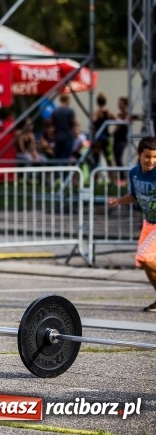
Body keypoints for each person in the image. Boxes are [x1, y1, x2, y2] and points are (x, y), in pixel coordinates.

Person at [108, 136, 156, 312]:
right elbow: (134, 196)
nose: (151, 161)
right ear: (139, 155)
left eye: (154, 157)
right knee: (143, 262)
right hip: (148, 222)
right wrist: (118, 201)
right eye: (148, 156)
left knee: (144, 257)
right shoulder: (134, 173)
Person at [90, 93, 114, 169]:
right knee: (107, 160)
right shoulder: (106, 113)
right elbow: (116, 119)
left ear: (97, 102)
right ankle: (112, 177)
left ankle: (96, 177)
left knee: (98, 159)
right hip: (103, 138)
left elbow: (93, 121)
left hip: (100, 138)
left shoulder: (98, 113)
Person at [50, 94, 76, 163]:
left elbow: (52, 125)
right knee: (66, 159)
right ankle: (65, 173)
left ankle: (57, 173)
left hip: (58, 137)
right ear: (67, 100)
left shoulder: (55, 112)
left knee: (57, 159)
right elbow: (73, 124)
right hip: (68, 137)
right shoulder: (70, 111)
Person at [113, 96, 130, 170]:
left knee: (119, 157)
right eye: (119, 103)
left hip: (122, 139)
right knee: (116, 158)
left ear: (125, 104)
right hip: (116, 139)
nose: (119, 105)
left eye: (121, 103)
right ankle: (120, 176)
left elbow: (122, 124)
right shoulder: (119, 115)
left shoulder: (127, 115)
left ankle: (122, 176)